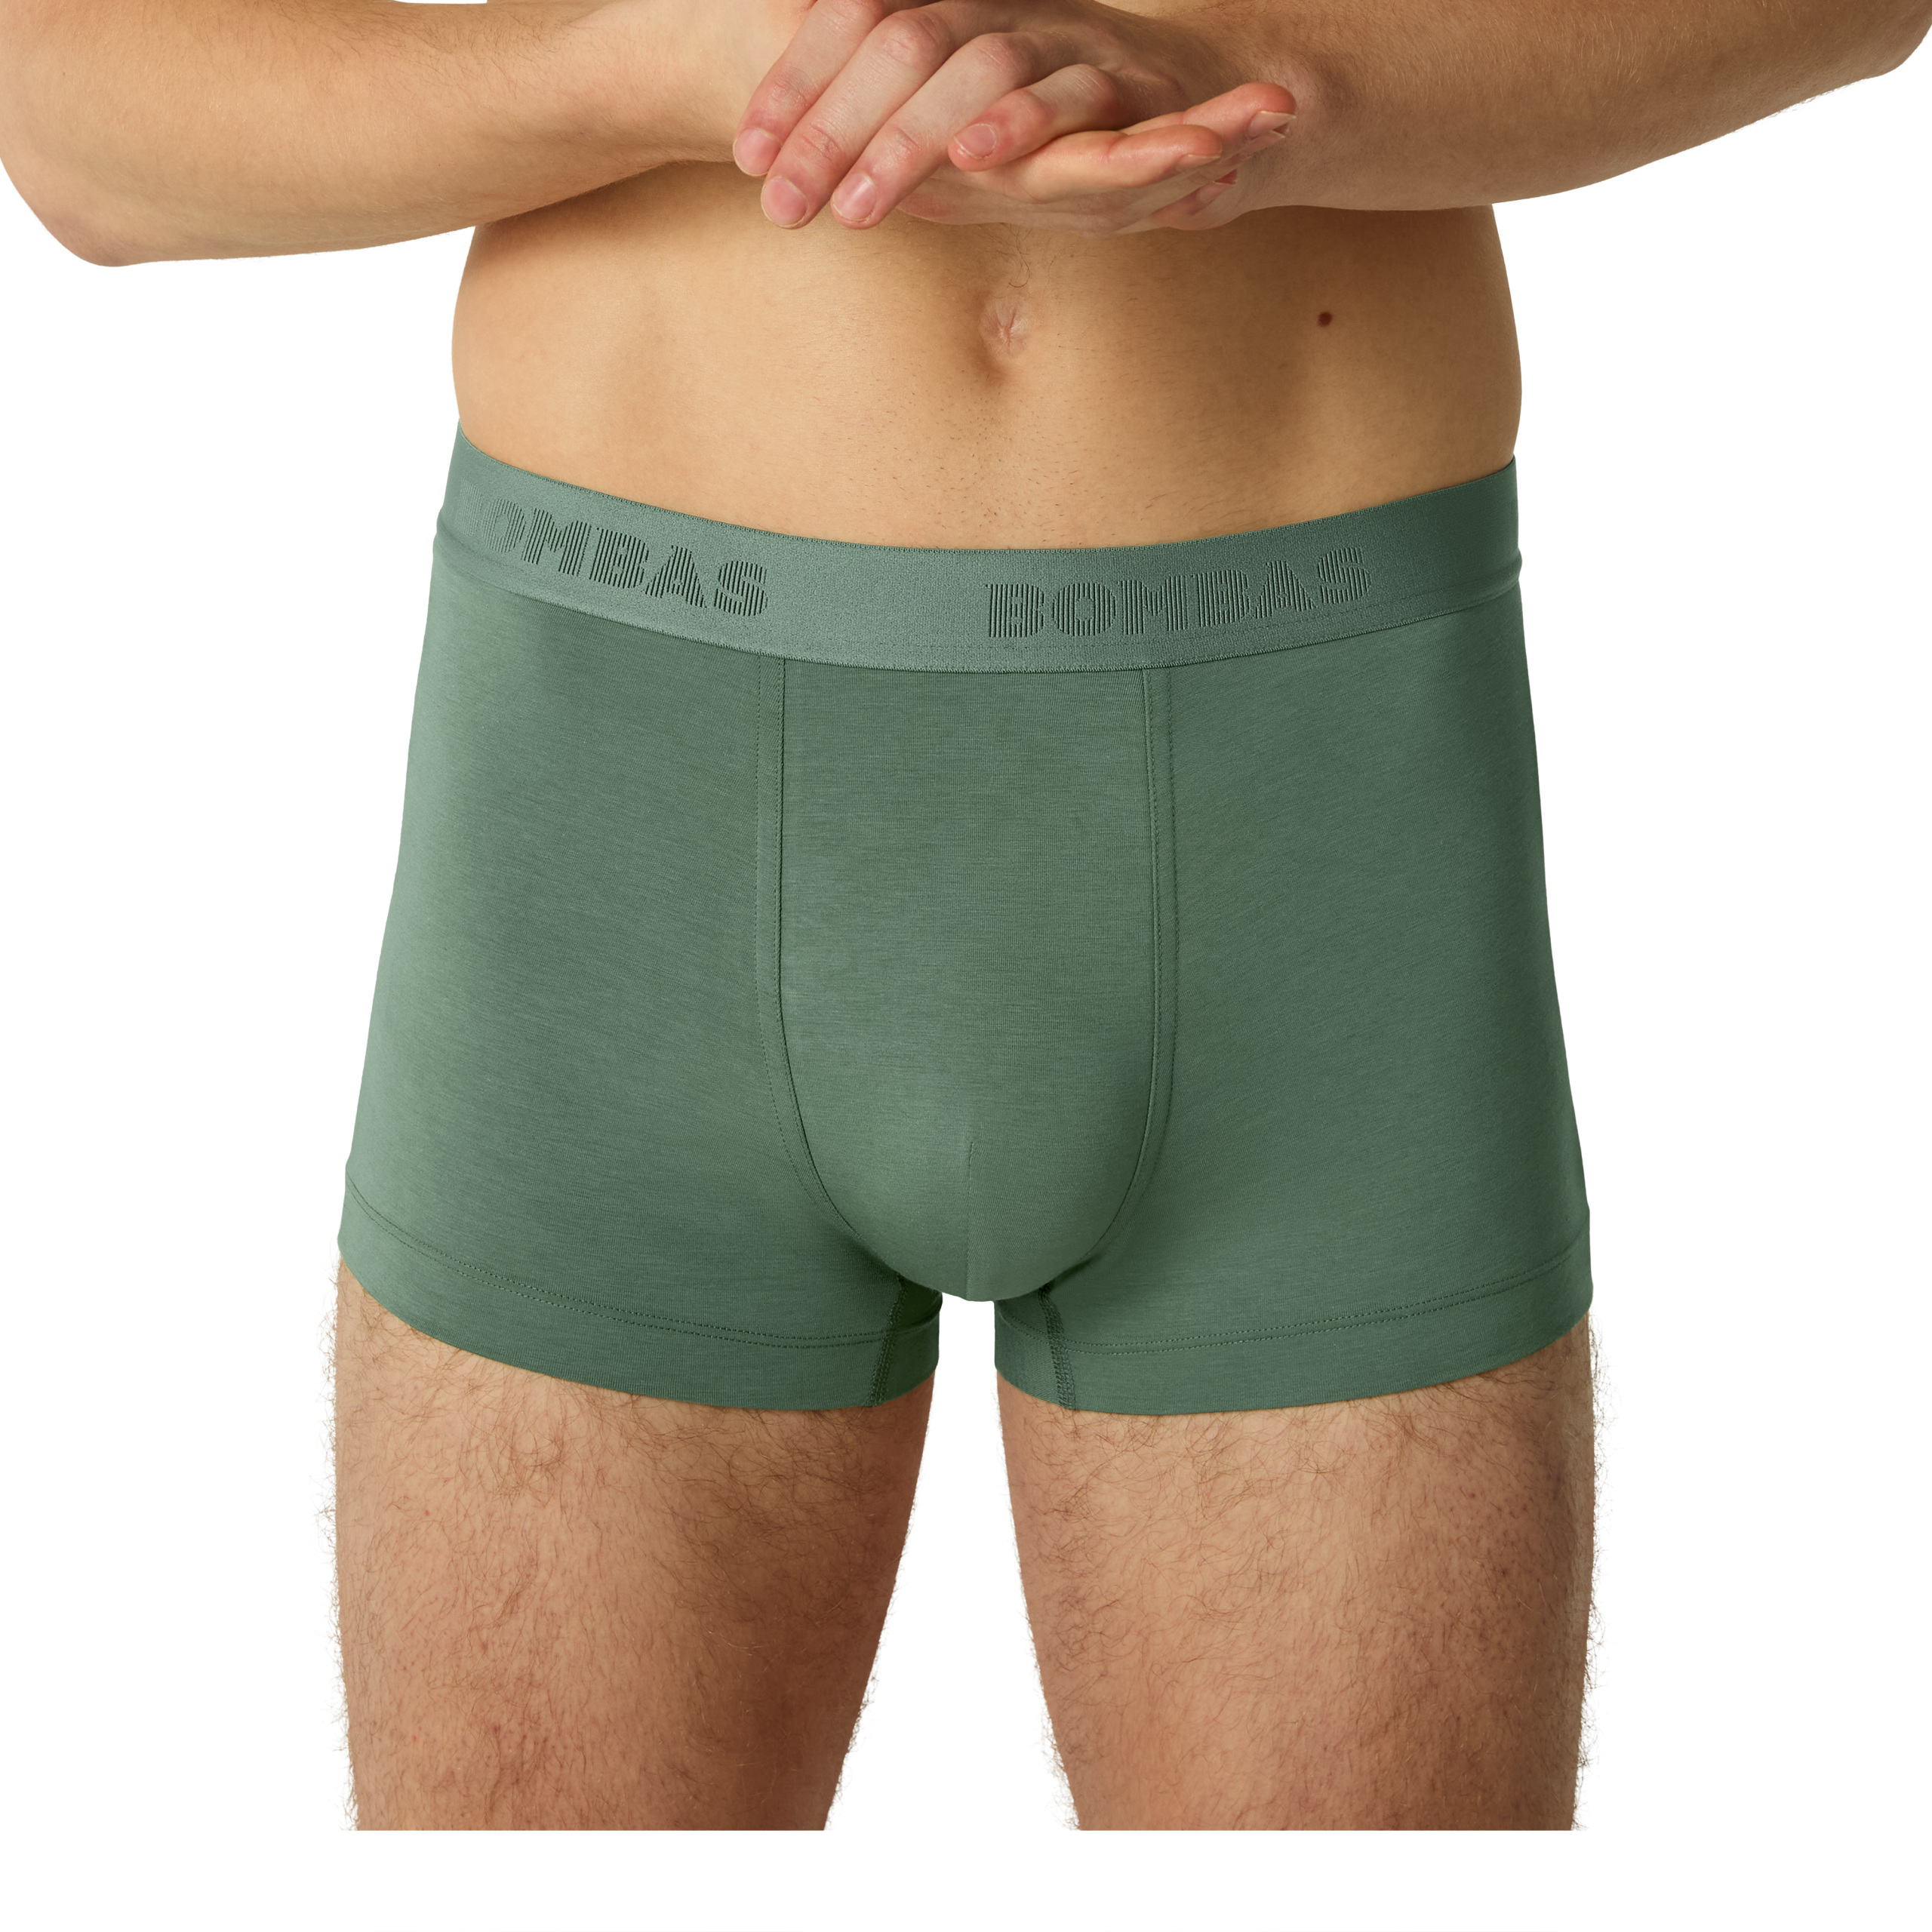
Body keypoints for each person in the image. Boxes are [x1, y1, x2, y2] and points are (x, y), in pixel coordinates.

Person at [6, 0, 1920, 1834]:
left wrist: (1255, 74)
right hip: (627, 809)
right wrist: (674, 64)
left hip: (1307, 804)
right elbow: (78, 111)